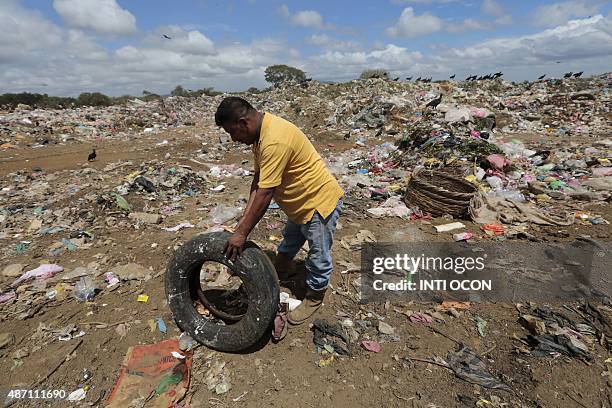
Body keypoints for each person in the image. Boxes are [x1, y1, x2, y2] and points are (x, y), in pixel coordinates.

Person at [215, 97, 344, 325]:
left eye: (232, 132)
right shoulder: (261, 135)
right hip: (297, 202)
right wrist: (242, 223)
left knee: (318, 254)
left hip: (318, 203)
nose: (233, 139)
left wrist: (242, 234)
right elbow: (259, 180)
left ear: (244, 122)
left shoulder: (274, 140)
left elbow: (265, 193)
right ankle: (284, 267)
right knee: (291, 238)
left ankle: (314, 296)